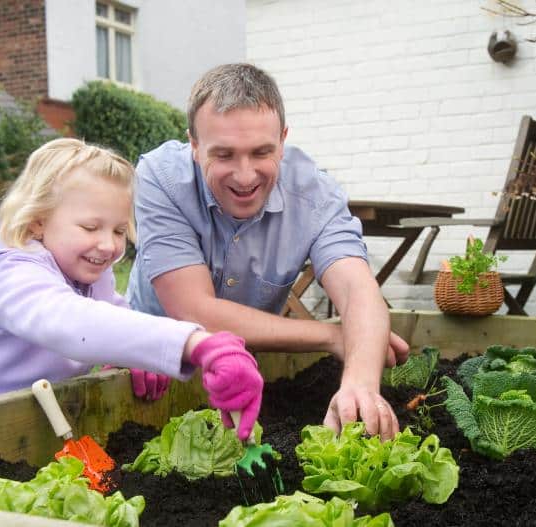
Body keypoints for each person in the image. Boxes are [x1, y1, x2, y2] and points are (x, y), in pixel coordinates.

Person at [0, 138, 262, 441]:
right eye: (91, 228)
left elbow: (111, 315)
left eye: (118, 230)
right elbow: (67, 321)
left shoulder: (89, 273)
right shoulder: (10, 268)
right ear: (39, 222)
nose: (108, 245)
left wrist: (137, 355)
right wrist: (195, 343)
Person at [126, 63, 410, 441]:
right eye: (224, 155)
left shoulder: (315, 196)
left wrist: (361, 383)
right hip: (150, 374)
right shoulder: (161, 179)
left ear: (283, 140)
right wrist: (331, 336)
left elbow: (358, 289)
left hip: (245, 373)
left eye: (262, 152)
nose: (245, 176)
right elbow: (195, 311)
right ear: (194, 146)